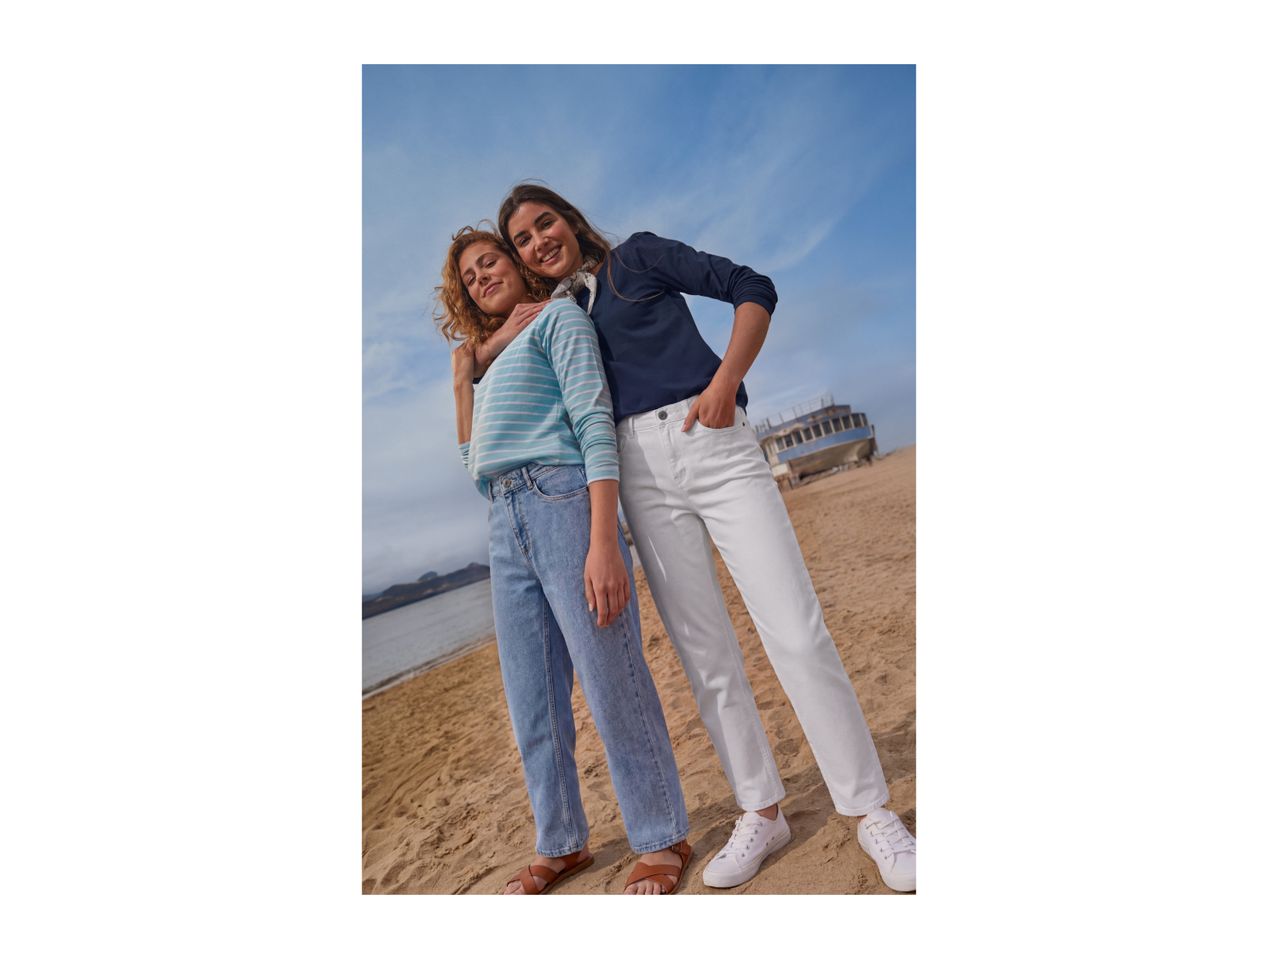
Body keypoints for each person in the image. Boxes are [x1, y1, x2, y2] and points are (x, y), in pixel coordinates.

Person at [477, 184, 917, 893]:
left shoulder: (639, 258)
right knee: (705, 654)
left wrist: (727, 379)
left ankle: (871, 811)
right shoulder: (557, 316)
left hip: (709, 439)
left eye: (543, 223)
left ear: (570, 219)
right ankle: (761, 808)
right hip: (636, 473)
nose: (535, 242)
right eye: (522, 239)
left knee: (796, 632)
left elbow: (752, 287)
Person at [435, 226, 693, 895]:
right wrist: (465, 376)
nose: (481, 276)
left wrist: (605, 541)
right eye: (468, 275)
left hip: (563, 499)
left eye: (489, 261)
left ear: (518, 265)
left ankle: (662, 833)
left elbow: (592, 420)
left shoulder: (558, 319)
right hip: (504, 514)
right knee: (532, 699)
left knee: (611, 675)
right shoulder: (486, 366)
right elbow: (473, 464)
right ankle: (562, 841)